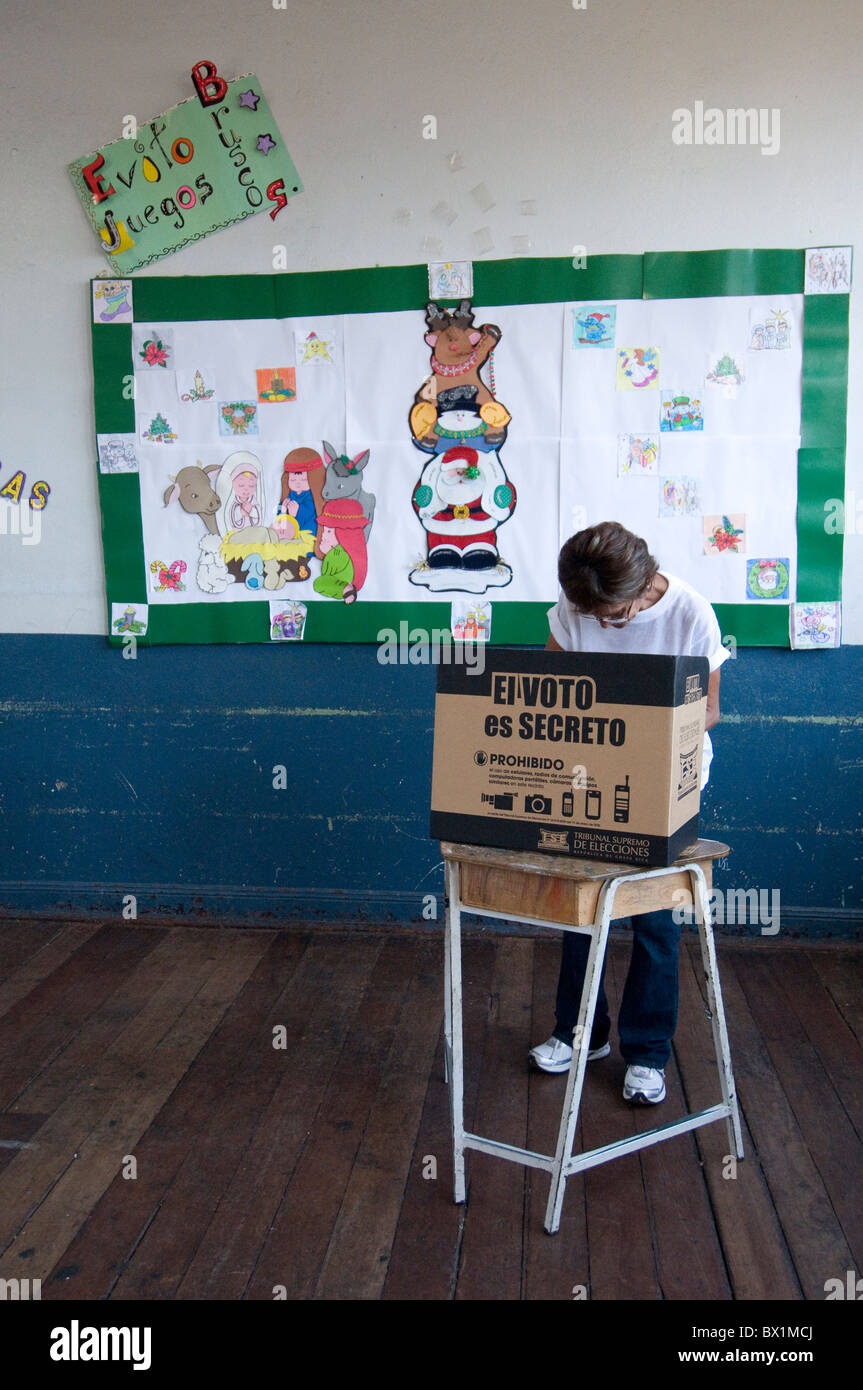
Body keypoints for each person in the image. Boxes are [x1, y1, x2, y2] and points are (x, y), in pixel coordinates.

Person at [528, 521, 730, 1104]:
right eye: (592, 616)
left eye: (614, 615)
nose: (603, 625)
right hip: (586, 775)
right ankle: (578, 1032)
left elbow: (711, 709)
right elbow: (550, 688)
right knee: (579, 904)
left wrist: (647, 732)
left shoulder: (690, 613)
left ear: (643, 583)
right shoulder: (573, 607)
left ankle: (646, 1054)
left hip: (666, 777)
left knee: (653, 918)